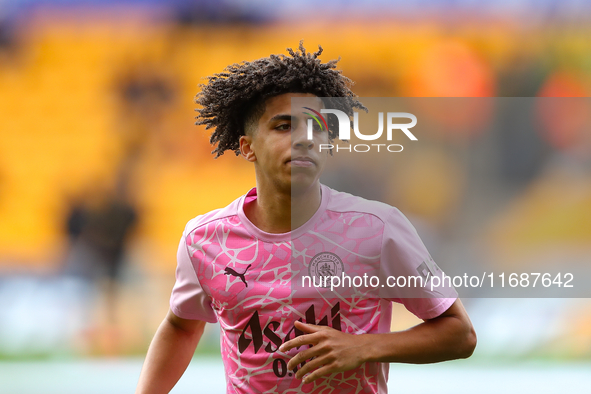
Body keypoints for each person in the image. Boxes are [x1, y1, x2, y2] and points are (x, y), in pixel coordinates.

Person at [135, 42, 476, 394]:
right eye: (283, 126)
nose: (304, 140)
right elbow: (181, 326)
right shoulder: (204, 240)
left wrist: (363, 347)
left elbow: (459, 333)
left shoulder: (378, 228)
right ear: (248, 146)